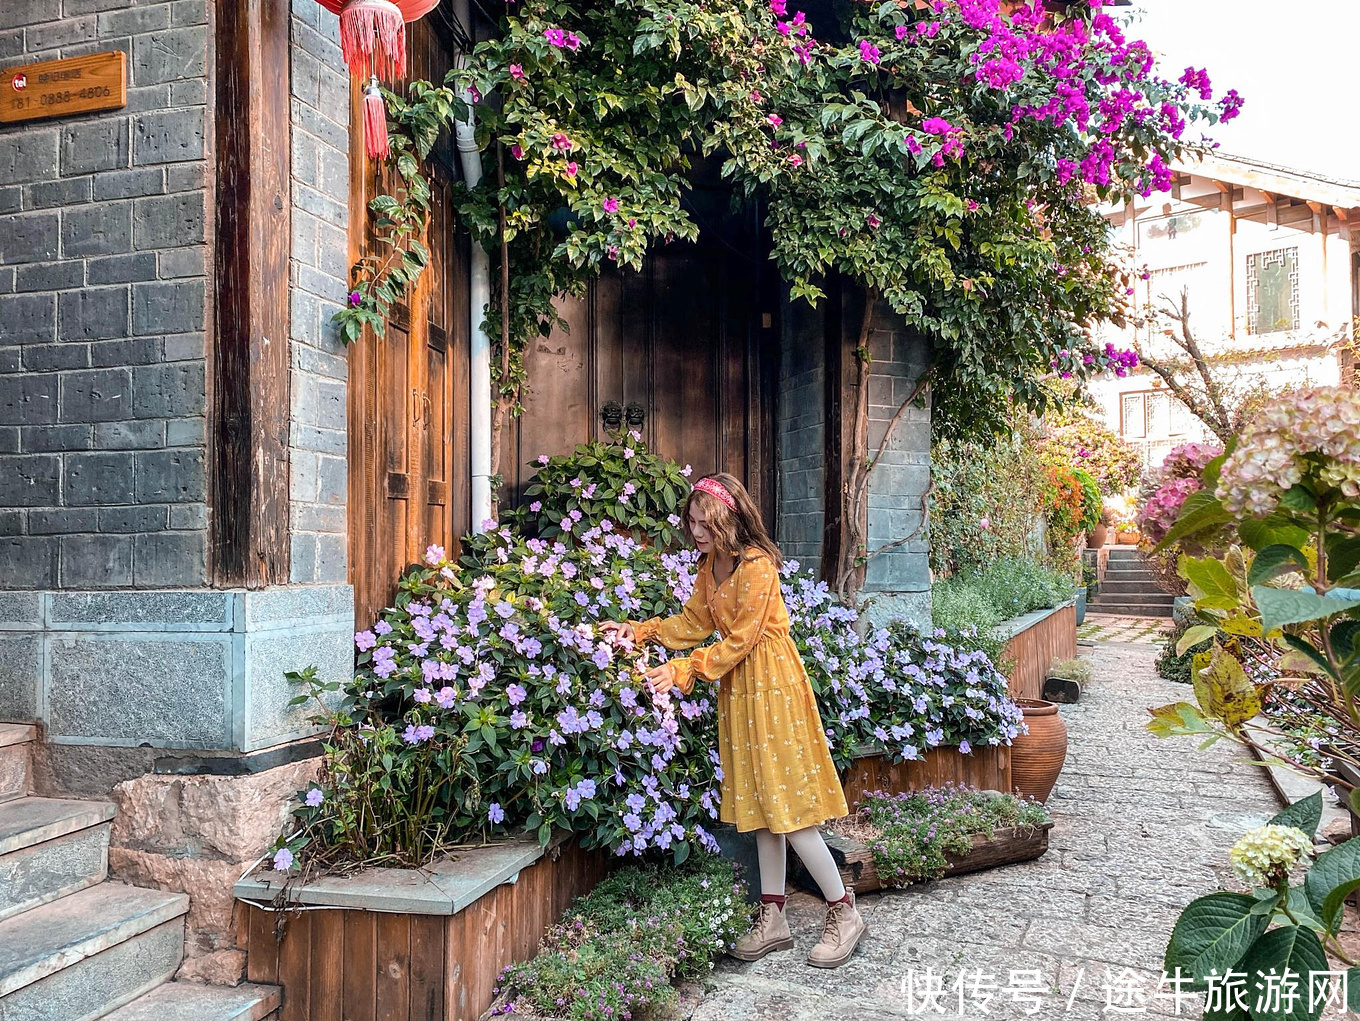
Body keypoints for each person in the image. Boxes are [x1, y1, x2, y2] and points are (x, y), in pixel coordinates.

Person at [602, 472, 866, 968]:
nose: (696, 531)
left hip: (773, 684)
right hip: (741, 689)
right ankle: (775, 917)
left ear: (728, 518)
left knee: (786, 806)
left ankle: (844, 910)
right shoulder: (711, 566)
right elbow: (693, 623)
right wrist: (640, 631)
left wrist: (685, 668)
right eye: (692, 522)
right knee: (762, 807)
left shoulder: (758, 565)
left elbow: (741, 639)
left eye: (705, 523)